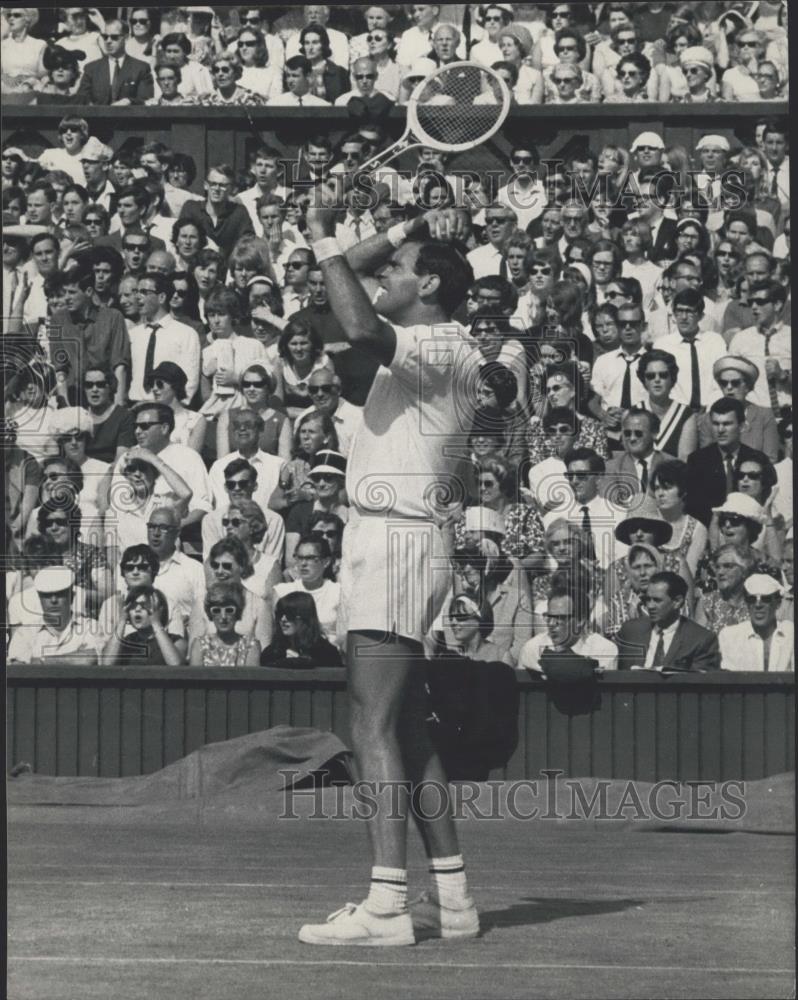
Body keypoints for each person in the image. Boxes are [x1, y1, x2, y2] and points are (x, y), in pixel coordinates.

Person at [296, 192, 482, 945]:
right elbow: (344, 289)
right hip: (402, 540)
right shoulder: (429, 340)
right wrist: (404, 228)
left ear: (429, 285)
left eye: (400, 268)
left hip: (395, 541)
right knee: (408, 726)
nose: (386, 275)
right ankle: (456, 900)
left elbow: (358, 315)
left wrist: (321, 233)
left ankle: (384, 907)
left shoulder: (438, 345)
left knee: (368, 721)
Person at [615, 571, 720, 672]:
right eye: (647, 599)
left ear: (677, 602)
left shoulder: (700, 640)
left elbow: (699, 686)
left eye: (657, 600)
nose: (650, 606)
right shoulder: (630, 631)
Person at [686, 398, 762, 525]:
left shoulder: (757, 459)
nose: (720, 430)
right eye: (716, 424)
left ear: (742, 426)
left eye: (727, 424)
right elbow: (694, 508)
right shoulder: (697, 461)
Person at [129, 273, 201, 405]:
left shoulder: (186, 334)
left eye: (144, 292)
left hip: (168, 409)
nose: (137, 297)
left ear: (161, 297)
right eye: (137, 292)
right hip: (135, 406)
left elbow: (190, 380)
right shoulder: (133, 335)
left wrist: (176, 407)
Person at [518, 581, 618, 675]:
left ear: (580, 620)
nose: (552, 623)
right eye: (549, 617)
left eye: (560, 618)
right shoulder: (533, 649)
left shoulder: (604, 650)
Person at [7, 567, 101, 664]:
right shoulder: (26, 633)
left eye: (60, 594)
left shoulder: (90, 627)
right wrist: (73, 658)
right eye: (47, 595)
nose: (53, 600)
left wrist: (40, 661)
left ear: (72, 597)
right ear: (39, 598)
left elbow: (89, 659)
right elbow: (17, 669)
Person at [696, 356, 779, 462]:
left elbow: (770, 459)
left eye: (735, 383)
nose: (729, 387)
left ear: (748, 386)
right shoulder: (708, 419)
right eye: (724, 383)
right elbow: (705, 459)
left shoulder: (764, 416)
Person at [718, 574, 794, 672]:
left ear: (778, 603)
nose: (758, 605)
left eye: (766, 599)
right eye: (752, 599)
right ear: (746, 604)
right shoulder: (730, 636)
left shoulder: (790, 634)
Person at [274, 535, 341, 645]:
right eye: (299, 558)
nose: (303, 564)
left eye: (310, 558)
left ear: (326, 562)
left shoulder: (338, 592)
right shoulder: (282, 592)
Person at [101, 585, 185, 666]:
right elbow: (106, 664)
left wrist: (156, 622)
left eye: (145, 605)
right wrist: (122, 620)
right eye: (132, 606)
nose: (137, 609)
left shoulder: (175, 641)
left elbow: (175, 664)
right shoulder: (126, 642)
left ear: (160, 610)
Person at [76, 18, 154, 106]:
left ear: (126, 38)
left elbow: (146, 100)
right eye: (105, 37)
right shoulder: (91, 69)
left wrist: (129, 101)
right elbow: (81, 98)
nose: (108, 41)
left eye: (114, 37)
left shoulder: (141, 68)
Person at [637, 350, 697, 460]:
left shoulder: (686, 415)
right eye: (650, 376)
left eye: (663, 375)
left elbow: (684, 461)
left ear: (672, 378)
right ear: (644, 380)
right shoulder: (633, 413)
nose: (657, 380)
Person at [261, 591, 343, 667]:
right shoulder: (271, 653)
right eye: (280, 614)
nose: (283, 619)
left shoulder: (327, 653)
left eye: (290, 614)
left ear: (305, 617)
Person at [190, 581, 261, 667]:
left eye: (229, 610)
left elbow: (252, 679)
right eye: (216, 611)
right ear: (210, 614)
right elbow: (196, 679)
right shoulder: (200, 645)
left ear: (238, 613)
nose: (223, 617)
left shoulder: (250, 646)